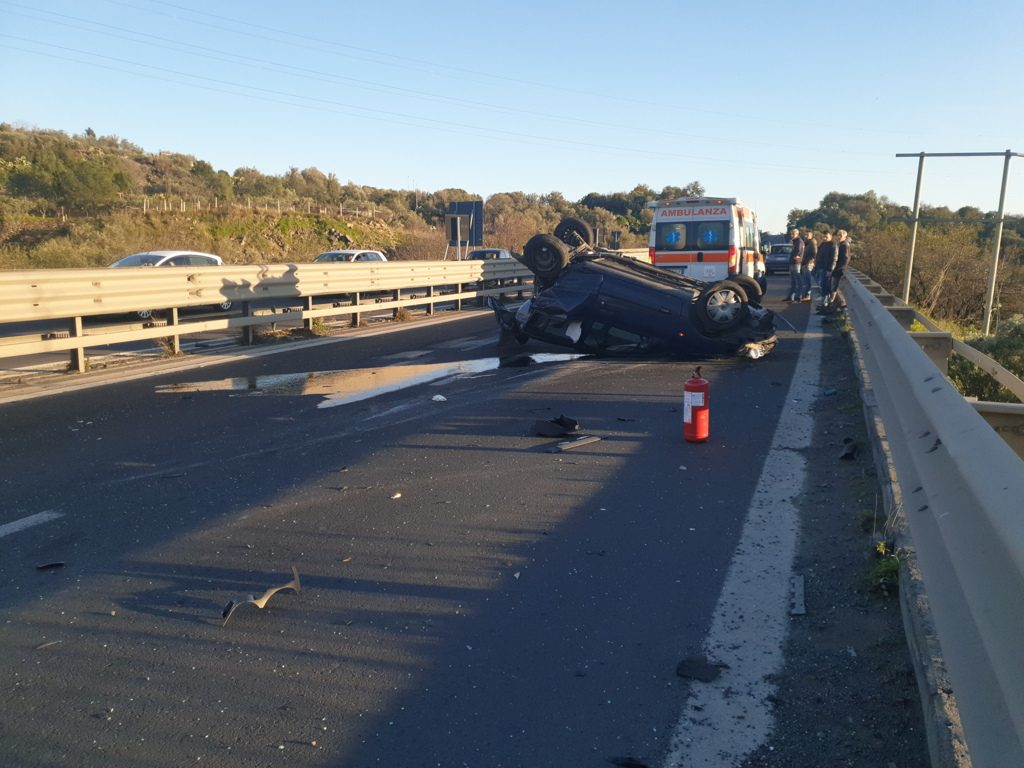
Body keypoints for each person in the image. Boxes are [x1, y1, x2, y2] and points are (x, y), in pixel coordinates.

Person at [827, 229, 851, 306]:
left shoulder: (844, 245)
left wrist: (838, 269)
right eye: (838, 235)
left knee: (835, 288)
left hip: (839, 270)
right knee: (834, 287)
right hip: (837, 269)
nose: (839, 237)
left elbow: (845, 258)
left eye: (841, 235)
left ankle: (833, 304)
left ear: (845, 236)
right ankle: (832, 304)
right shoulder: (840, 244)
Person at [816, 231, 837, 305]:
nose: (824, 238)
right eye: (823, 237)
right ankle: (824, 302)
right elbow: (818, 254)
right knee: (822, 284)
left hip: (827, 269)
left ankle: (825, 303)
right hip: (821, 267)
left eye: (826, 237)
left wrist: (830, 269)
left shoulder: (833, 245)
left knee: (826, 285)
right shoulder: (822, 244)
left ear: (830, 237)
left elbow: (834, 258)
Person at [787, 228, 804, 302]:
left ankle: (798, 297)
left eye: (793, 234)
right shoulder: (794, 241)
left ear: (797, 234)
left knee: (798, 281)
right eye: (791, 234)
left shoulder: (799, 241)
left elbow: (799, 251)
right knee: (793, 281)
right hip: (792, 262)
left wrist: (797, 256)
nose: (791, 235)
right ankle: (791, 296)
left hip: (796, 262)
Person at [801, 231, 817, 301]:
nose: (806, 236)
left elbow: (814, 253)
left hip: (808, 264)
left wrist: (810, 262)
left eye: (807, 235)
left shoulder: (812, 243)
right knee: (806, 280)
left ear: (811, 236)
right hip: (805, 263)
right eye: (805, 235)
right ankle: (806, 295)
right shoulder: (806, 243)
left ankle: (808, 295)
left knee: (808, 280)